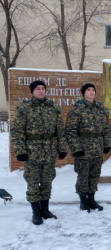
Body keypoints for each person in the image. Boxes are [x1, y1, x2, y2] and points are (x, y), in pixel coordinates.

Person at [11, 80, 68, 225]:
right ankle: (36, 212)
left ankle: (45, 210)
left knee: (47, 181)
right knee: (32, 182)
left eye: (43, 88)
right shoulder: (25, 109)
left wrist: (62, 148)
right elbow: (17, 131)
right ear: (32, 91)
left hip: (49, 151)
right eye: (37, 88)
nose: (41, 91)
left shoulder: (53, 108)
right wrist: (20, 151)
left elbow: (60, 131)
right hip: (32, 152)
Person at [65, 83, 111, 213]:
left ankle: (92, 199)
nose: (91, 92)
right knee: (83, 175)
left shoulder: (100, 109)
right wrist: (76, 148)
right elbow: (71, 131)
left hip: (97, 147)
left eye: (93, 90)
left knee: (95, 174)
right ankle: (83, 200)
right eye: (88, 90)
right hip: (83, 148)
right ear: (83, 93)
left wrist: (107, 144)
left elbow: (106, 129)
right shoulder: (77, 110)